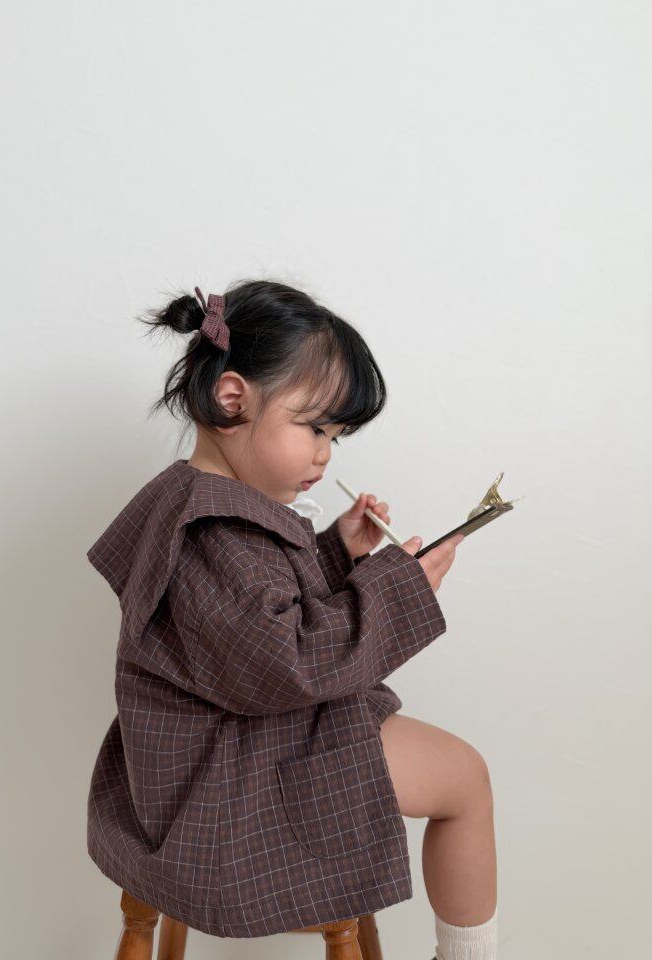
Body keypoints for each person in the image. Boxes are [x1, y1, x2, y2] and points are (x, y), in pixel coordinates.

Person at [85, 279, 497, 958]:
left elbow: (247, 624)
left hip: (222, 749)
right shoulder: (214, 531)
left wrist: (336, 551)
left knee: (459, 771)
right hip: (229, 784)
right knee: (465, 778)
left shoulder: (191, 500)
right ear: (233, 399)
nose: (325, 454)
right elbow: (289, 663)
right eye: (314, 428)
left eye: (335, 436)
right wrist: (400, 589)